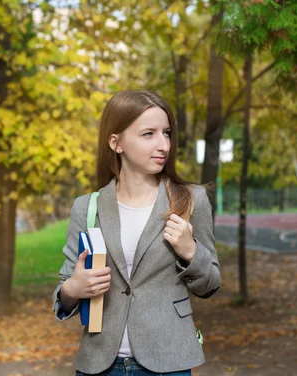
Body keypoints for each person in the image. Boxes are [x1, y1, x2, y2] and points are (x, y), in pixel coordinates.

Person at [52, 90, 221, 375]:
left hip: (169, 362)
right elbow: (64, 291)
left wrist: (191, 252)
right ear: (116, 142)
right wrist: (73, 288)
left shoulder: (191, 200)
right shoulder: (87, 207)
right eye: (148, 134)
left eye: (166, 133)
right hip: (100, 364)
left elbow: (210, 284)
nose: (163, 144)